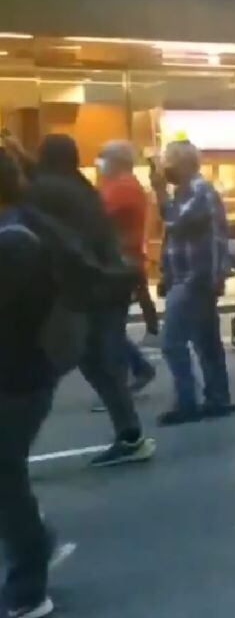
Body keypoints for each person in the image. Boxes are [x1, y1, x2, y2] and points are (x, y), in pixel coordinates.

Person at [26, 135, 156, 468]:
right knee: (98, 363)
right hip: (106, 284)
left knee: (47, 366)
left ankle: (12, 451)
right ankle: (130, 434)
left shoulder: (50, 190)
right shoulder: (79, 187)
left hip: (86, 289)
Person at [0, 147, 77, 618]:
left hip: (17, 378)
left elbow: (13, 318)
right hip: (21, 374)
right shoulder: (17, 230)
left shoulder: (15, 241)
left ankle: (30, 587)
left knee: (5, 480)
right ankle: (38, 546)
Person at [152, 140, 234, 425]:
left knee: (172, 342)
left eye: (168, 162)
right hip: (188, 275)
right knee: (206, 341)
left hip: (195, 277)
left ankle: (187, 401)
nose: (165, 169)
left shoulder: (200, 191)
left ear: (184, 163)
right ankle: (218, 398)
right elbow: (173, 235)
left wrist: (160, 191)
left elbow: (175, 223)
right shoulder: (184, 192)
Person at [97, 140, 159, 389]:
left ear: (117, 161)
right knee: (108, 327)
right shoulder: (117, 185)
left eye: (103, 157)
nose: (99, 162)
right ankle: (139, 369)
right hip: (120, 261)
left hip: (120, 263)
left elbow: (97, 217)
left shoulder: (123, 187)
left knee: (108, 327)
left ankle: (119, 385)